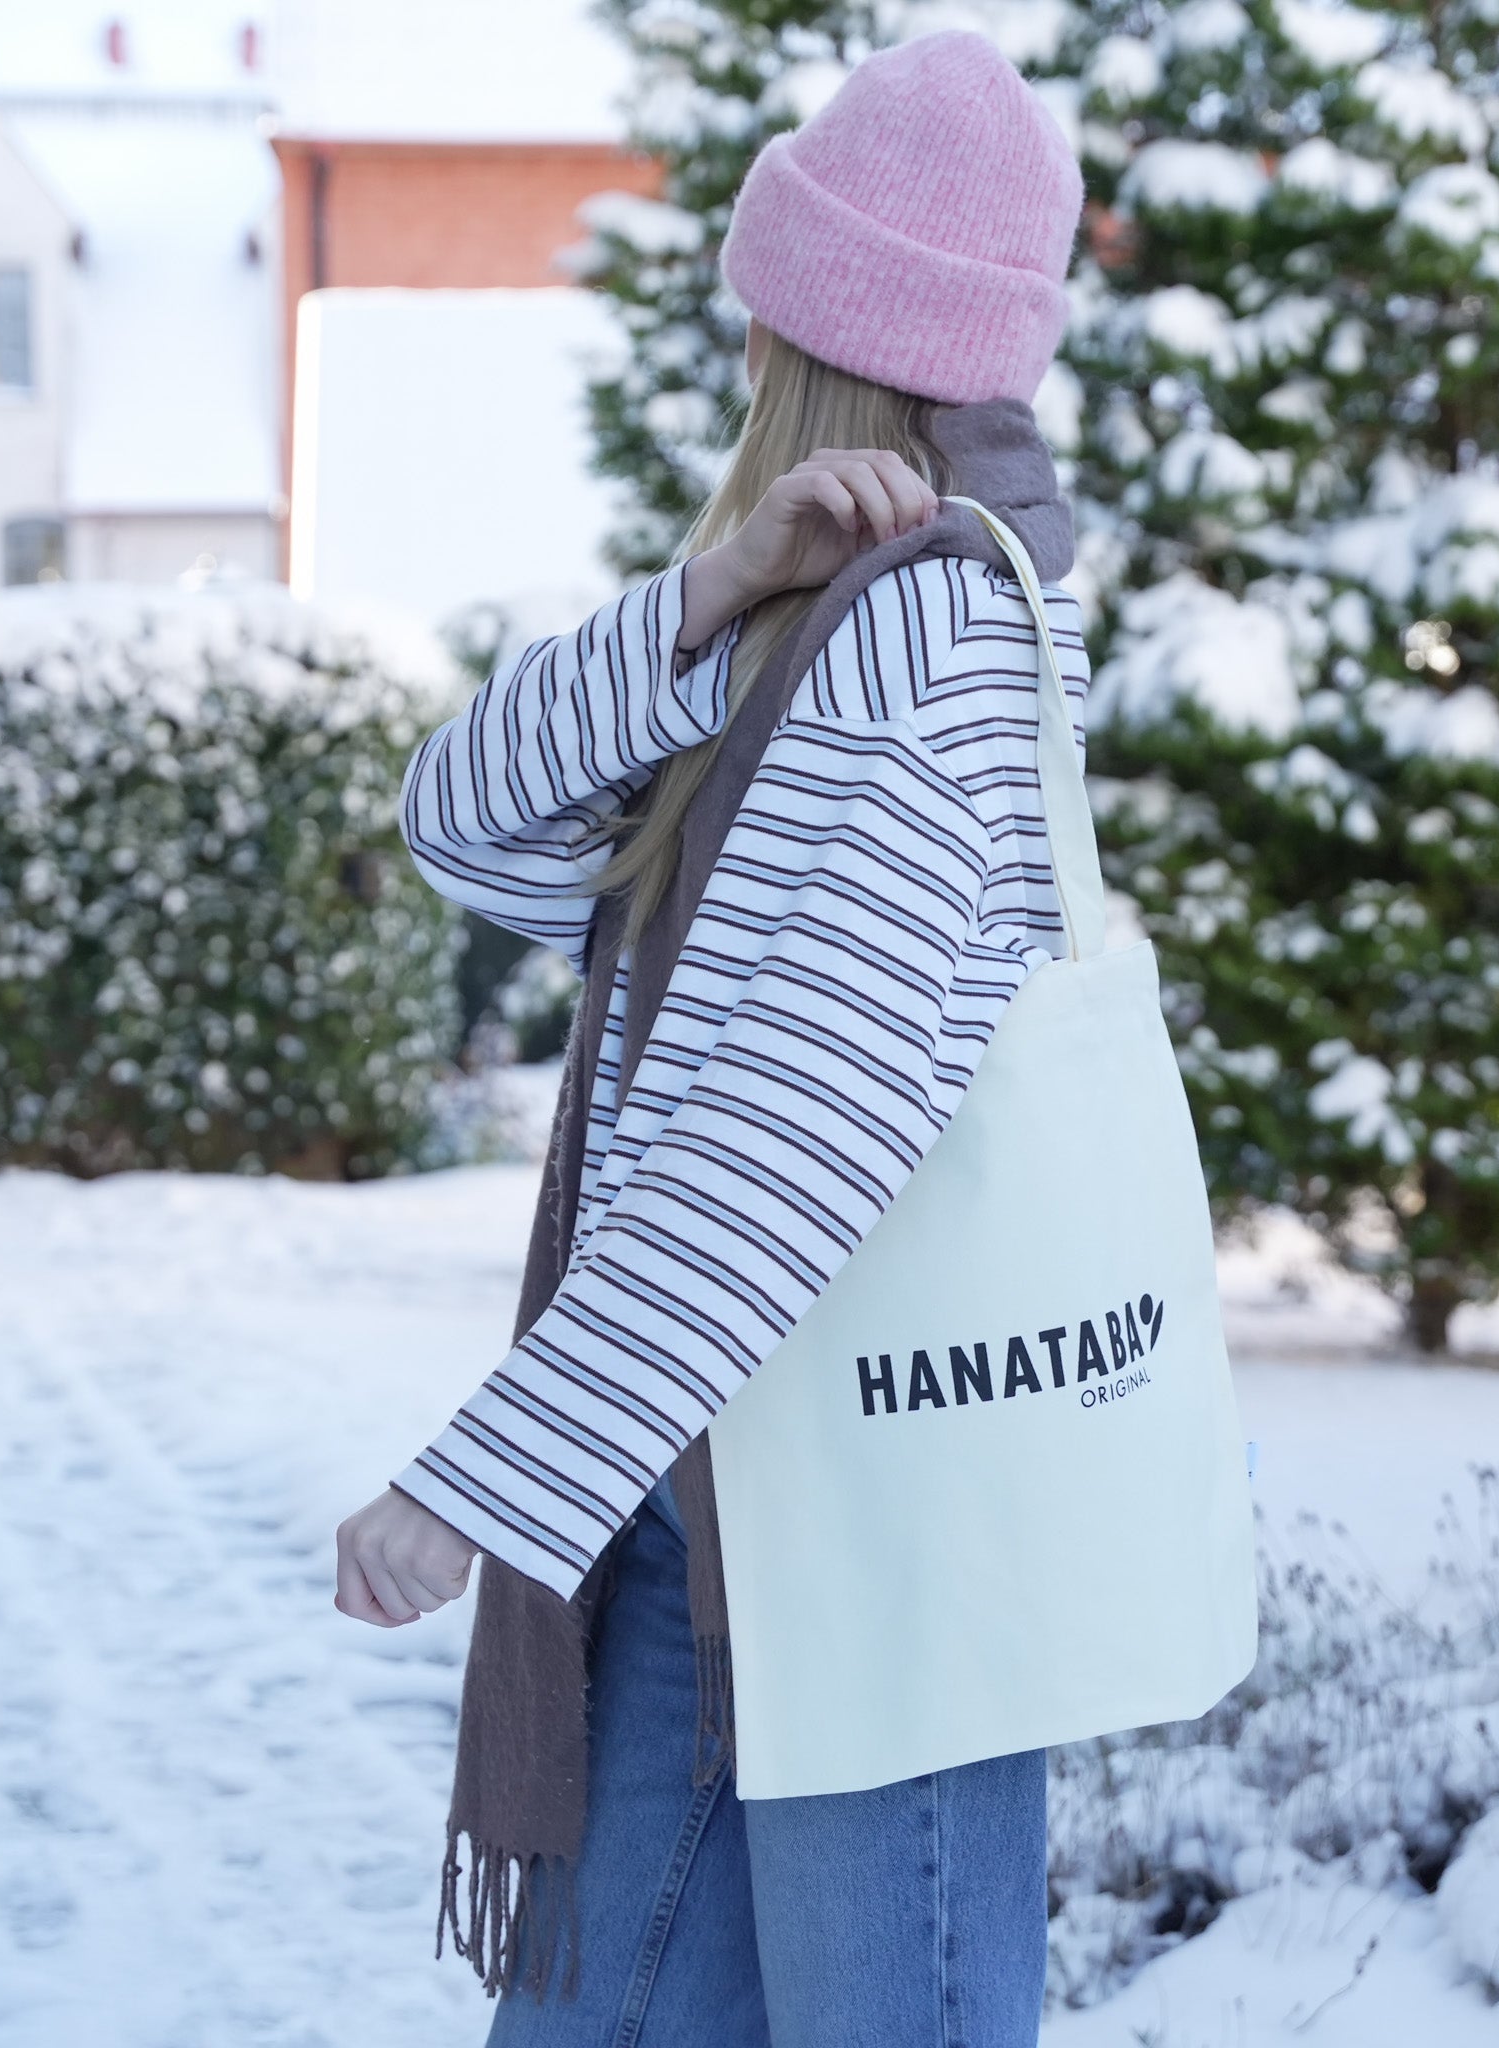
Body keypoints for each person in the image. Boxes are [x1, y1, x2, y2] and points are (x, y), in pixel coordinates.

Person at [332, 32, 1088, 2046]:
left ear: (808, 324)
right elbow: (463, 820)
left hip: (874, 1550)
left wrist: (483, 1487)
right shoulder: (808, 612)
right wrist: (708, 593)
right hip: (708, 1521)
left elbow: (786, 1141)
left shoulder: (930, 639)